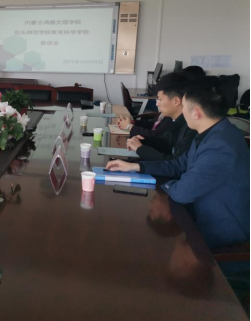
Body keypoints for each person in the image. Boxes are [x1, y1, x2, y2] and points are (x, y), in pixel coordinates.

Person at [106, 77, 250, 250]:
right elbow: (178, 165)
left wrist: (165, 184)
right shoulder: (212, 131)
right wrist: (136, 167)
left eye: (185, 106)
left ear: (196, 113)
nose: (182, 112)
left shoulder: (221, 146)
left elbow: (182, 193)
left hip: (222, 237)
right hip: (197, 216)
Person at [126, 72, 197, 161]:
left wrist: (141, 149)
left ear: (176, 101)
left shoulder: (190, 128)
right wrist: (141, 141)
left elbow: (176, 164)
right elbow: (164, 144)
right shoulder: (175, 120)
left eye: (160, 99)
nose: (157, 104)